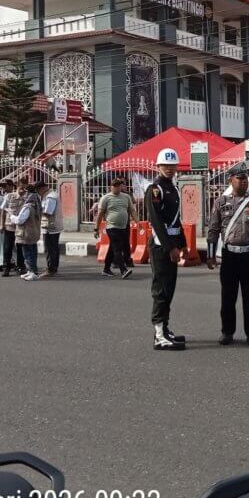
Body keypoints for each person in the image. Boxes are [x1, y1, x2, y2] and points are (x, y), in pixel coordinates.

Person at [206, 163, 249, 346]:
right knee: (228, 297)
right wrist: (210, 255)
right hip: (230, 257)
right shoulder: (220, 203)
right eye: (240, 178)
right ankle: (227, 332)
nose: (243, 182)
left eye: (245, 178)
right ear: (231, 180)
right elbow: (213, 230)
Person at [145, 147, 187, 350]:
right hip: (161, 246)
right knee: (161, 290)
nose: (169, 169)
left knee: (169, 289)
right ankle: (159, 336)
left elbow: (176, 221)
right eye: (165, 165)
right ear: (158, 166)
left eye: (172, 165)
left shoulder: (173, 188)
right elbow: (156, 221)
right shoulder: (155, 189)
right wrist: (170, 248)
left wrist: (183, 244)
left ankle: (165, 329)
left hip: (171, 245)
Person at [95, 177, 135, 279]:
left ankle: (106, 269)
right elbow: (100, 214)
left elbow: (132, 210)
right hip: (112, 227)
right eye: (115, 186)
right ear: (111, 187)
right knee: (117, 248)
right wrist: (96, 228)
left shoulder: (126, 197)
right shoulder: (106, 198)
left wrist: (137, 222)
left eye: (118, 186)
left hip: (123, 227)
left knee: (112, 248)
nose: (117, 188)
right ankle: (123, 270)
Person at [13, 180, 43, 280]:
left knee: (27, 254)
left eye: (25, 192)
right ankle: (31, 271)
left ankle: (32, 272)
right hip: (34, 232)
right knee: (32, 252)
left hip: (26, 233)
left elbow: (20, 220)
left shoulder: (28, 207)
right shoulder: (36, 205)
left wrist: (12, 216)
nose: (23, 194)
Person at [0, 179, 26, 277]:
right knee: (7, 248)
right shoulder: (9, 196)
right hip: (9, 226)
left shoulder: (28, 198)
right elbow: (3, 211)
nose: (23, 190)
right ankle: (6, 268)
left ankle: (20, 267)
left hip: (21, 227)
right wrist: (2, 224)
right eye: (21, 188)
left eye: (25, 188)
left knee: (20, 248)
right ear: (17, 186)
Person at [40, 181, 61, 277]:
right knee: (53, 248)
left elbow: (48, 212)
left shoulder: (50, 197)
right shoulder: (51, 194)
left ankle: (51, 269)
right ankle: (53, 267)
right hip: (53, 225)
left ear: (42, 188)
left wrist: (38, 210)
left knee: (50, 248)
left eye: (38, 190)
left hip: (50, 226)